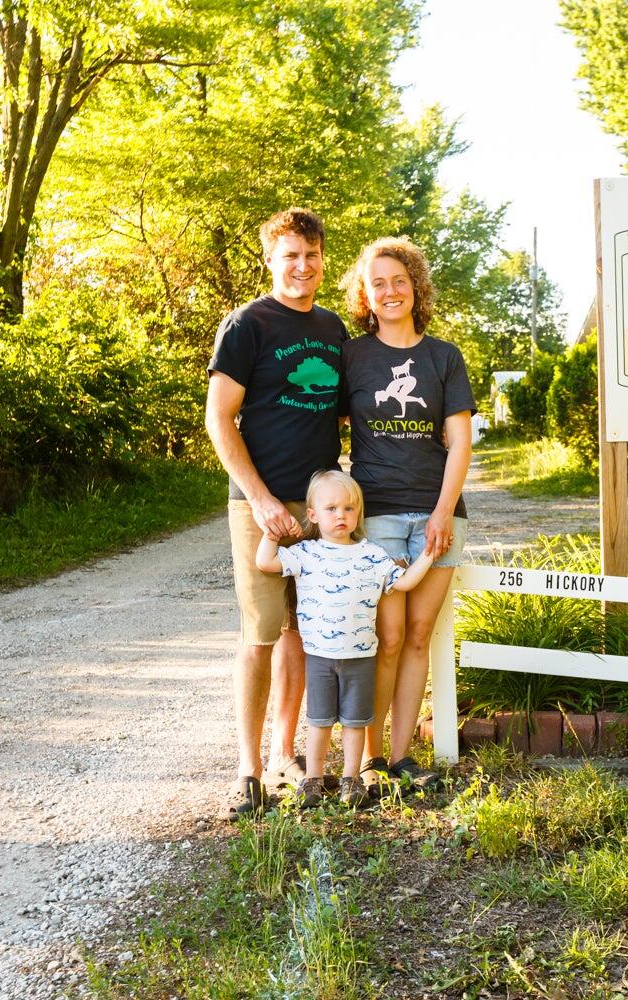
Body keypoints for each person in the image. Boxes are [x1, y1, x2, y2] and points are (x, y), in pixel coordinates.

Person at [205, 207, 346, 817]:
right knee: (263, 631)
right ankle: (249, 769)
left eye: (311, 255)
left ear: (321, 261)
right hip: (257, 503)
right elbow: (219, 418)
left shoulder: (334, 327)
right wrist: (260, 501)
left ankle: (286, 756)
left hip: (316, 505)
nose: (302, 266)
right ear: (271, 259)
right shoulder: (247, 324)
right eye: (290, 255)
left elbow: (342, 411)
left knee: (305, 631)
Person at [339, 237, 474, 791]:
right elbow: (325, 431)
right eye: (378, 283)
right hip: (380, 515)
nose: (390, 291)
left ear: (415, 286)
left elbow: (460, 443)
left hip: (439, 513)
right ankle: (370, 760)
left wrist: (443, 511)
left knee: (419, 634)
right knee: (385, 637)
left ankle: (401, 759)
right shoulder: (352, 356)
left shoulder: (444, 357)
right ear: (365, 295)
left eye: (399, 280)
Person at [256, 470, 435, 808]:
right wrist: (272, 532)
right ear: (313, 515)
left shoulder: (373, 556)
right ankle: (313, 780)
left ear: (359, 514)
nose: (341, 515)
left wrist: (427, 555)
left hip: (361, 656)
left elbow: (406, 582)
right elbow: (265, 562)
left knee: (355, 722)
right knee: (319, 721)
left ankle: (351, 780)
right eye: (332, 508)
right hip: (320, 656)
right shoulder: (306, 553)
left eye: (349, 509)